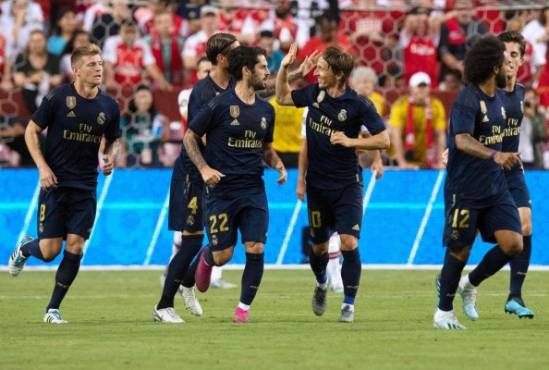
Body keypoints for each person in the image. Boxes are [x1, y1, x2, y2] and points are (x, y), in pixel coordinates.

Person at [7, 44, 120, 324]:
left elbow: (114, 138)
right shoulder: (59, 98)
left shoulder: (109, 106)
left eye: (100, 64)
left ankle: (52, 309)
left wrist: (108, 157)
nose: (98, 69)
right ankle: (25, 248)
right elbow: (31, 131)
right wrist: (42, 167)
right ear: (76, 70)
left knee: (76, 245)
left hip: (85, 187)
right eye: (92, 64)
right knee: (48, 252)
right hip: (55, 184)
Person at [276, 44, 390, 322]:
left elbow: (384, 140)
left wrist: (352, 141)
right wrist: (284, 68)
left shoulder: (359, 104)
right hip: (317, 185)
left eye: (323, 69)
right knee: (319, 248)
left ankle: (349, 304)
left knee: (349, 243)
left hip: (347, 184)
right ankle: (321, 283)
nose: (317, 73)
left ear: (338, 74)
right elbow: (280, 97)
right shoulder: (315, 93)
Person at [187, 46, 287, 324]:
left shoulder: (267, 111)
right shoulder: (219, 105)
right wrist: (204, 168)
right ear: (246, 71)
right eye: (263, 67)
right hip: (221, 191)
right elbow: (190, 136)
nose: (268, 72)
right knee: (223, 255)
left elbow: (266, 148)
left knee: (255, 247)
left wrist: (276, 163)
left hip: (254, 190)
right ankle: (208, 257)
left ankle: (243, 308)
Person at [434, 35, 523, 330]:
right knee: (460, 250)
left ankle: (470, 283)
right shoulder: (468, 99)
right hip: (465, 188)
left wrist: (509, 156)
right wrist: (495, 156)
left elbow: (498, 138)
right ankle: (443, 312)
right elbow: (461, 139)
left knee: (513, 243)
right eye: (504, 59)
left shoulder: (500, 99)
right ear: (492, 65)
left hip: (495, 188)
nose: (508, 63)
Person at [153, 33, 239, 324]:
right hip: (195, 172)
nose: (240, 57)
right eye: (235, 52)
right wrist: (203, 169)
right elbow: (197, 136)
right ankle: (164, 305)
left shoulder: (236, 85)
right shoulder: (202, 92)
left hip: (223, 174)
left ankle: (188, 282)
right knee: (190, 242)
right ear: (221, 58)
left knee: (224, 241)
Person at [389, 72, 447, 169]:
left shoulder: (436, 105)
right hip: (404, 154)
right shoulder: (400, 105)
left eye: (424, 87)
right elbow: (396, 135)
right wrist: (402, 163)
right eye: (418, 87)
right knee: (389, 129)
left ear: (429, 89)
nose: (422, 90)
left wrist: (441, 161)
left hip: (426, 155)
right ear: (411, 89)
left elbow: (440, 134)